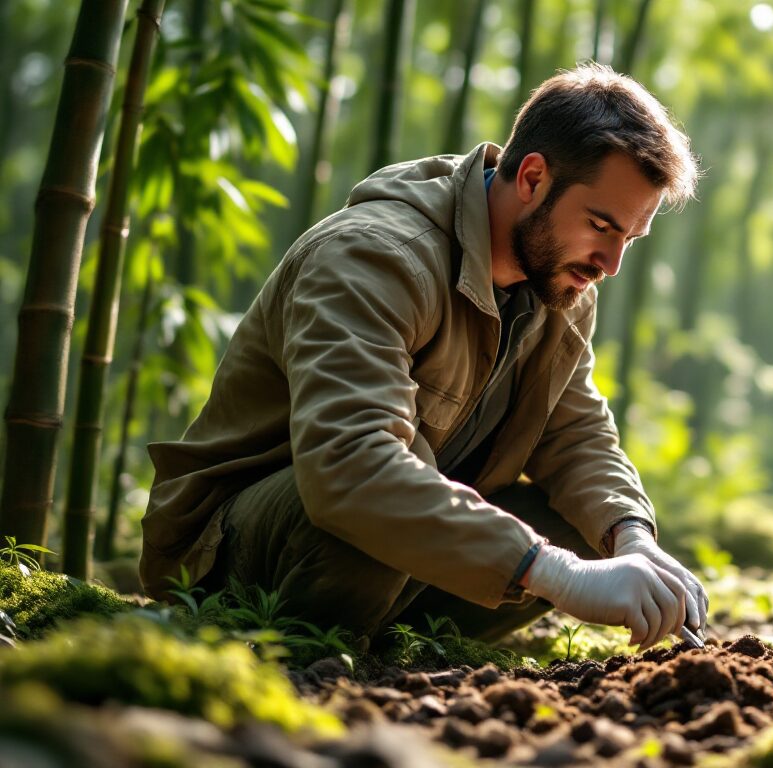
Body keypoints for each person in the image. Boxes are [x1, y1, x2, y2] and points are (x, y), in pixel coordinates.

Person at [140, 64, 708, 652]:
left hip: (393, 550)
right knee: (370, 513)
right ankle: (305, 658)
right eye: (600, 226)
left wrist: (633, 538)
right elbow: (350, 468)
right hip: (238, 546)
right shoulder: (373, 257)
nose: (610, 264)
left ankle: (395, 648)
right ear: (533, 178)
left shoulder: (558, 284)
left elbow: (576, 435)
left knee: (594, 531)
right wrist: (555, 574)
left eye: (628, 239)